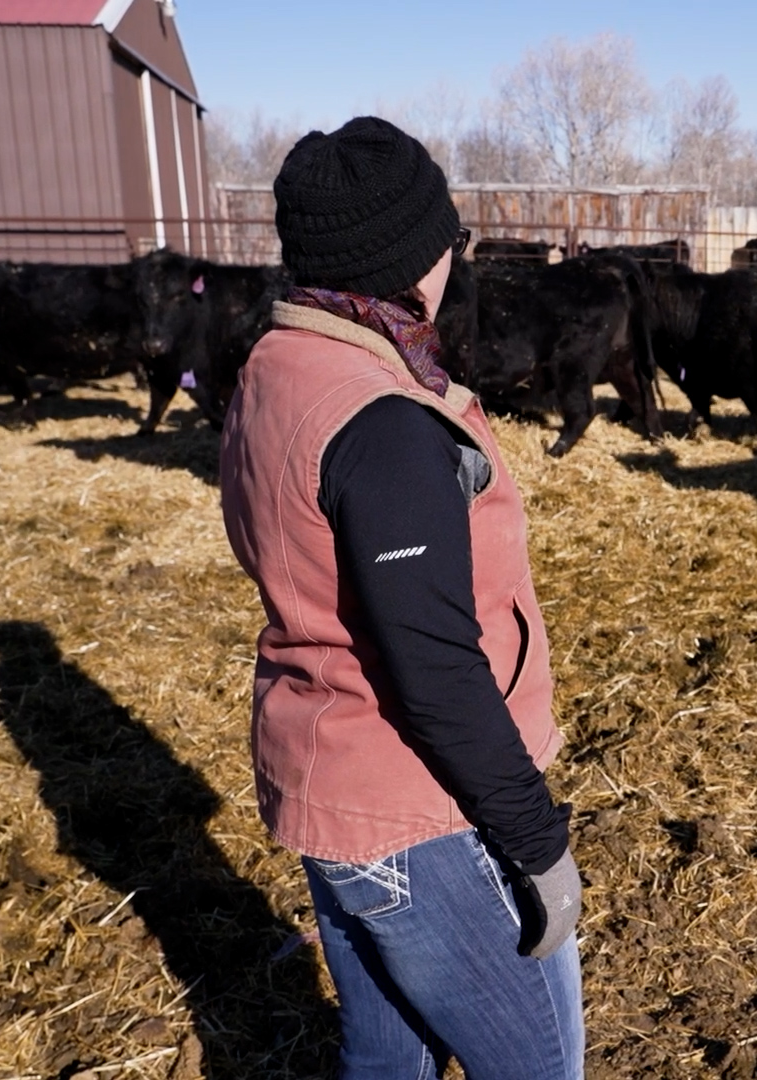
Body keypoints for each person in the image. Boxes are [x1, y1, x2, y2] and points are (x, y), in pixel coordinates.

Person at [218, 116, 584, 1080]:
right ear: (414, 257)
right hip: (417, 818)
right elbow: (433, 664)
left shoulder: (277, 367)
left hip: (327, 787)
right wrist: (538, 840)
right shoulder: (382, 421)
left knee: (387, 1064)